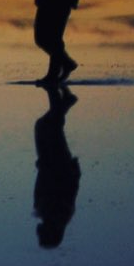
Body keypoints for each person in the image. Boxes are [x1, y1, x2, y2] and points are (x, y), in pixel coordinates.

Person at [33, 85, 81, 248]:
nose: (38, 233)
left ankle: (64, 101)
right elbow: (67, 188)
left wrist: (41, 168)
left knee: (45, 126)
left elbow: (40, 187)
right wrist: (73, 171)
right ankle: (53, 90)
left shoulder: (52, 215)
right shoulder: (58, 213)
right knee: (49, 127)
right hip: (57, 165)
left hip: (50, 164)